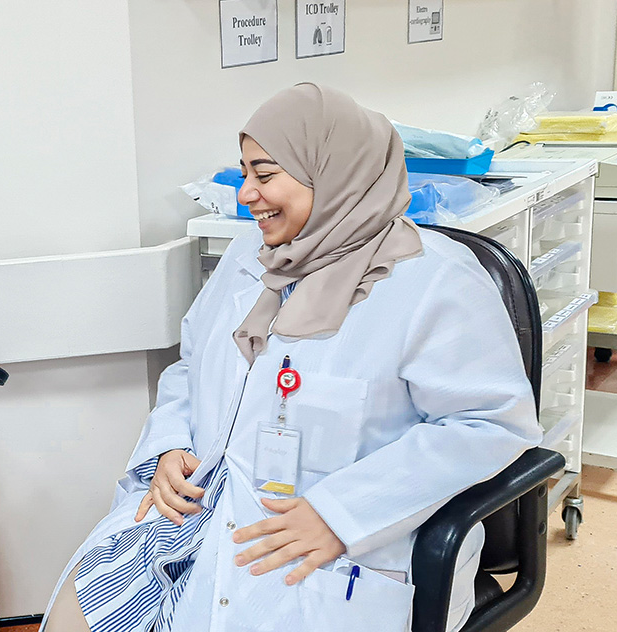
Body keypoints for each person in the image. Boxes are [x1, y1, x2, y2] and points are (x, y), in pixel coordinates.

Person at [42, 84, 542, 632]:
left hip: (341, 548)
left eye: (265, 174)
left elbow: (490, 422)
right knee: (75, 613)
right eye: (244, 174)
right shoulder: (250, 257)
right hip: (200, 513)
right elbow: (191, 366)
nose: (246, 195)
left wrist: (342, 513)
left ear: (332, 172)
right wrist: (170, 448)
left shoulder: (436, 281)